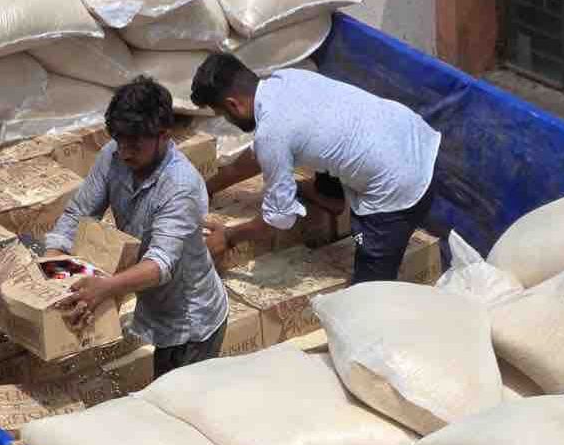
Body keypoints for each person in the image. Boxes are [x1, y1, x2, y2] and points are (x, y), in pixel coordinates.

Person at [191, 53, 449, 284]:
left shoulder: (273, 132)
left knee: (370, 295)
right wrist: (209, 186)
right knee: (321, 141)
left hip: (400, 187)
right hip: (419, 140)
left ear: (233, 104)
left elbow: (280, 219)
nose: (228, 121)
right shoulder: (287, 78)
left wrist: (229, 236)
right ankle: (330, 197)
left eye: (223, 114)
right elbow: (258, 154)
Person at [42, 76, 229, 379]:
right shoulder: (112, 156)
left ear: (164, 135)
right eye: (120, 139)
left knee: (180, 408)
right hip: (156, 306)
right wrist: (52, 260)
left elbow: (161, 264)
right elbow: (79, 212)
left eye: (136, 143)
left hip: (192, 322)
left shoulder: (180, 185)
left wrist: (106, 288)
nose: (126, 151)